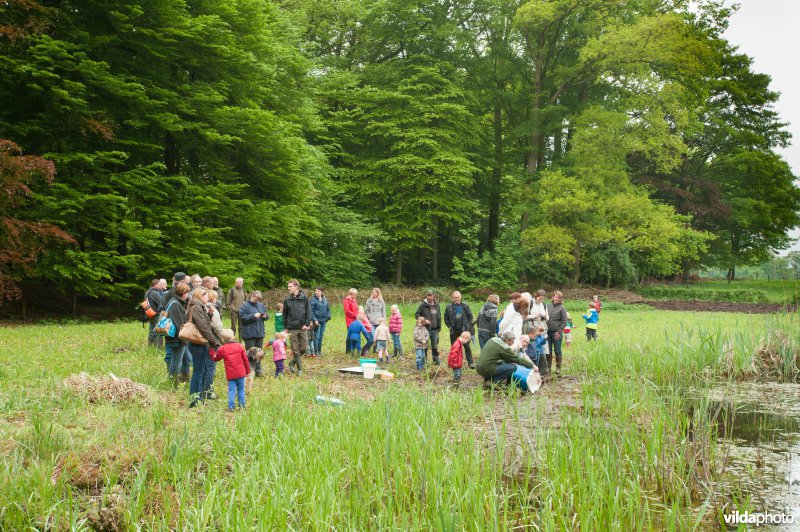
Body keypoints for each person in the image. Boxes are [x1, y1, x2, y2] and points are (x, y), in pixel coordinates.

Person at [187, 288, 222, 407]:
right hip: (198, 344)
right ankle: (195, 400)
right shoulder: (196, 307)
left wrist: (210, 313)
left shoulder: (197, 307)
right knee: (198, 372)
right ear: (201, 296)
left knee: (200, 371)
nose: (208, 298)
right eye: (206, 296)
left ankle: (199, 398)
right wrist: (213, 342)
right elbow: (203, 327)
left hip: (200, 344)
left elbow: (204, 322)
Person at [209, 329, 249, 411]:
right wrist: (247, 371)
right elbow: (245, 360)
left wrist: (211, 352)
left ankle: (231, 407)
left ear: (222, 339)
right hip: (241, 373)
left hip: (231, 374)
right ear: (233, 337)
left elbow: (216, 358)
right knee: (241, 389)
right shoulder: (240, 346)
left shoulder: (222, 348)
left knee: (232, 390)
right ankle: (242, 406)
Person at [164, 283, 191, 388]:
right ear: (183, 293)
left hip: (180, 338)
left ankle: (185, 381)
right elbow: (178, 323)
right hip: (177, 338)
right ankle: (173, 384)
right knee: (176, 361)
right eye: (187, 293)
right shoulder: (175, 304)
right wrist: (184, 339)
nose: (188, 295)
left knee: (187, 359)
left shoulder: (178, 302)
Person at [283, 279, 313, 376]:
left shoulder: (304, 299)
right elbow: (285, 314)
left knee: (304, 347)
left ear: (296, 286)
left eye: (290, 286)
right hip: (292, 327)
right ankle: (300, 369)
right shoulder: (287, 300)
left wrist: (307, 324)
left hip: (302, 327)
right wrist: (286, 326)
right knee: (295, 348)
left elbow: (309, 312)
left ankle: (292, 362)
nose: (288, 288)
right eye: (288, 286)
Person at [238, 291, 269, 377]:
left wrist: (265, 316)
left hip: (259, 334)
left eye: (259, 299)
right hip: (249, 334)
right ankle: (249, 370)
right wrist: (253, 316)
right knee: (251, 354)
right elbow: (242, 318)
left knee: (259, 353)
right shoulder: (244, 306)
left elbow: (267, 316)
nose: (257, 300)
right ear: (252, 296)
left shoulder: (261, 305)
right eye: (256, 298)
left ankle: (258, 370)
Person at [444, 291, 475, 369]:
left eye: (458, 297)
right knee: (454, 347)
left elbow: (470, 316)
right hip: (454, 331)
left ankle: (470, 363)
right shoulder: (449, 307)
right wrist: (449, 327)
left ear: (460, 297)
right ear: (453, 298)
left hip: (463, 331)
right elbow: (445, 318)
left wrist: (467, 326)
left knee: (467, 347)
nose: (457, 299)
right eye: (455, 297)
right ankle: (452, 363)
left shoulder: (465, 306)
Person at [415, 290, 442, 365]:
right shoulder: (423, 305)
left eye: (430, 295)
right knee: (424, 346)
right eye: (428, 295)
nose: (429, 297)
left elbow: (439, 316)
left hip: (435, 329)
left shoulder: (437, 305)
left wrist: (439, 327)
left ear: (433, 296)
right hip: (425, 329)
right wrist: (424, 320)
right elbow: (417, 315)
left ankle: (436, 362)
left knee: (435, 346)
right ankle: (424, 362)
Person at [546, 291, 568, 376]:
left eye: (559, 297)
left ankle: (558, 367)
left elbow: (564, 321)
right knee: (548, 350)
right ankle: (548, 367)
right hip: (547, 332)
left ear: (561, 299)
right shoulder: (547, 306)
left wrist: (559, 331)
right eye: (556, 297)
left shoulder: (562, 308)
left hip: (556, 333)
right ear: (553, 297)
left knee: (557, 350)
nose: (557, 298)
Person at [310, 287, 331, 357]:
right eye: (316, 291)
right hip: (317, 321)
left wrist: (328, 317)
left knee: (321, 336)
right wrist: (314, 319)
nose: (317, 292)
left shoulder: (325, 300)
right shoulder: (313, 300)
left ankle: (319, 351)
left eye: (318, 291)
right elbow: (311, 312)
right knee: (317, 336)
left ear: (321, 292)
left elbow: (328, 309)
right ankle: (315, 352)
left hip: (324, 321)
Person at [145, 279, 164, 349]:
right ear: (155, 285)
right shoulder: (155, 293)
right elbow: (161, 302)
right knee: (159, 331)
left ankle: (150, 346)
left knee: (151, 330)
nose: (161, 286)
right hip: (156, 314)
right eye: (159, 284)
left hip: (150, 314)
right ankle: (159, 347)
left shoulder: (148, 292)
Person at [365, 288, 386, 352]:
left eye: (375, 292)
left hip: (379, 321)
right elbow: (367, 311)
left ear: (378, 293)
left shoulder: (381, 301)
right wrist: (370, 317)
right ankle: (371, 347)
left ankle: (376, 348)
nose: (373, 293)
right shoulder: (369, 301)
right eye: (373, 292)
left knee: (379, 335)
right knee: (373, 335)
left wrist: (384, 320)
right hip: (371, 321)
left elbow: (383, 311)